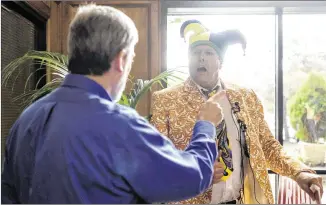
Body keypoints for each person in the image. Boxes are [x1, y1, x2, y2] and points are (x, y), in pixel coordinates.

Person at [1, 6, 225, 204]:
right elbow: (192, 176)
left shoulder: (27, 119)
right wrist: (205, 126)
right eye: (131, 59)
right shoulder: (119, 126)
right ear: (120, 59)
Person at [150, 20, 324, 204]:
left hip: (241, 200)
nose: (201, 58)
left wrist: (300, 173)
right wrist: (195, 172)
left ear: (220, 62)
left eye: (208, 52)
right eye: (195, 53)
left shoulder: (245, 97)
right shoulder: (165, 100)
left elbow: (267, 146)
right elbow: (157, 160)